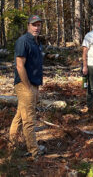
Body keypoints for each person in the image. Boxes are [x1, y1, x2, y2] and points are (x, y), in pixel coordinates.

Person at [9, 15, 45, 158]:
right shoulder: (23, 41)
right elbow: (19, 66)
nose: (36, 27)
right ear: (28, 26)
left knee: (20, 115)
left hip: (34, 84)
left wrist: (35, 86)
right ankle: (34, 151)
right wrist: (28, 86)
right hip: (25, 85)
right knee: (29, 120)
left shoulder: (37, 42)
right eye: (33, 25)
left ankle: (12, 144)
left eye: (38, 25)